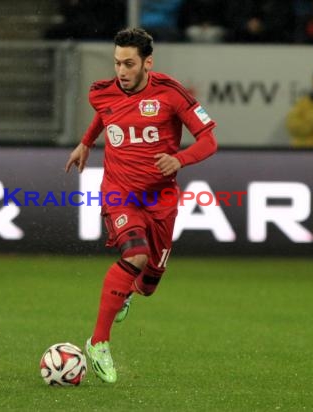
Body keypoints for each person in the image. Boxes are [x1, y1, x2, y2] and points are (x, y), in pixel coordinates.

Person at [65, 28, 218, 383]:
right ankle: (98, 341)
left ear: (147, 63)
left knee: (149, 281)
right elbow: (105, 114)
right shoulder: (101, 92)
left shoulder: (171, 93)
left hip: (160, 200)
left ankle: (133, 290)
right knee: (135, 254)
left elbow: (209, 140)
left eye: (129, 64)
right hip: (119, 192)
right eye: (117, 62)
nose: (121, 70)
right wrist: (86, 142)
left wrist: (180, 160)